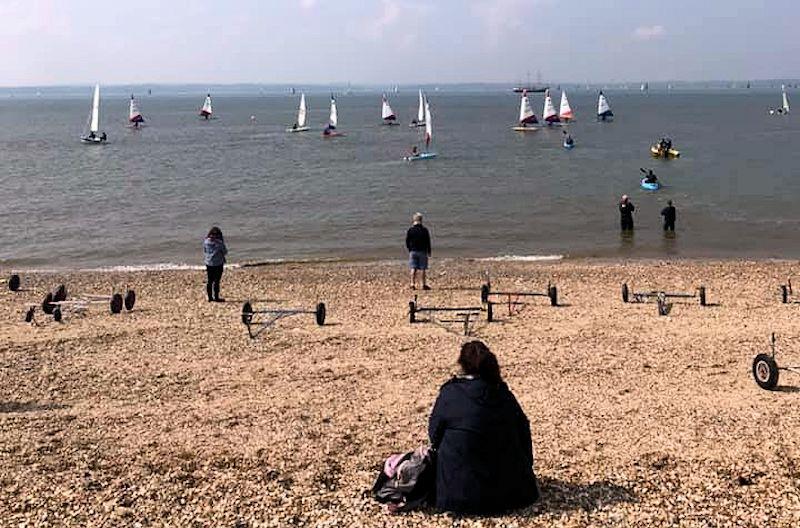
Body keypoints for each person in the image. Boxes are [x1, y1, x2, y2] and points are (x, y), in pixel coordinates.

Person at [429, 341, 540, 514]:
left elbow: (434, 435)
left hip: (457, 494)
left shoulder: (450, 392)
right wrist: (525, 469)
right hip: (512, 493)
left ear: (462, 365)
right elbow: (523, 430)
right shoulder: (502, 394)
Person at [405, 213, 431, 290]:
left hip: (413, 251)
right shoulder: (424, 230)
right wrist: (429, 251)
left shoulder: (410, 230)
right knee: (423, 268)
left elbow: (407, 241)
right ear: (421, 220)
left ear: (414, 220)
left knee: (413, 268)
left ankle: (412, 284)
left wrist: (409, 249)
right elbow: (427, 241)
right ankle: (423, 284)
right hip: (422, 251)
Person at [203, 226, 228, 302]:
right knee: (217, 281)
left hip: (209, 263)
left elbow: (205, 251)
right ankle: (216, 297)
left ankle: (210, 298)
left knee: (210, 280)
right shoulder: (219, 243)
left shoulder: (206, 241)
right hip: (218, 263)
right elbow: (225, 252)